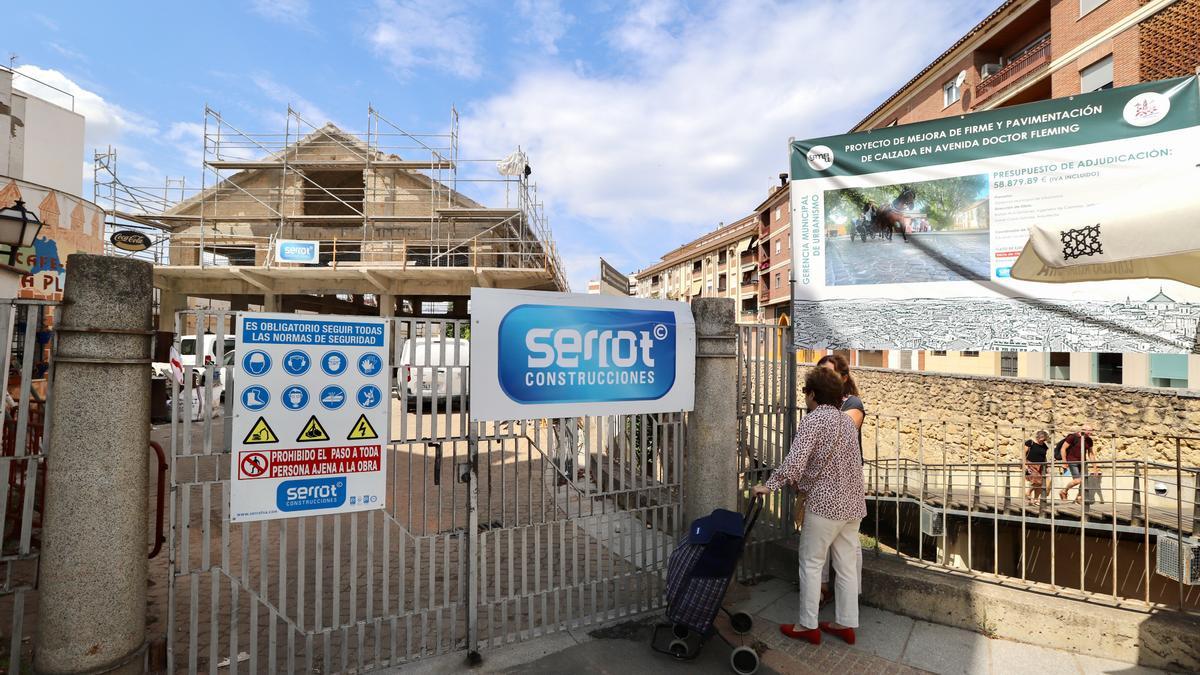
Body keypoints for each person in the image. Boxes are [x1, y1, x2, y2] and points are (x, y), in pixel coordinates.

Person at [752, 367, 865, 646]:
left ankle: (807, 625)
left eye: (806, 392)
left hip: (825, 505)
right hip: (852, 505)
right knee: (847, 566)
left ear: (813, 394)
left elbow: (796, 461)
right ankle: (845, 624)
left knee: (812, 563)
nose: (805, 397)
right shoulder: (847, 423)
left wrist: (769, 485)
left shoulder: (813, 421)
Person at [814, 354, 865, 604]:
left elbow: (839, 433)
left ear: (844, 378)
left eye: (830, 374)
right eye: (821, 373)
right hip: (822, 484)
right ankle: (822, 590)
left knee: (848, 545)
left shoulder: (852, 403)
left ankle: (850, 596)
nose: (824, 378)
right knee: (821, 542)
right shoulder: (822, 406)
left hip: (846, 483)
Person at [1057, 427, 1095, 503]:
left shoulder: (1089, 440)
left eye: (1091, 431)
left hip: (1083, 462)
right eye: (1089, 431)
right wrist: (1064, 462)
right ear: (1083, 430)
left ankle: (1079, 497)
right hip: (1072, 461)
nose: (1090, 433)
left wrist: (1095, 467)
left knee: (1084, 481)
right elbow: (1063, 449)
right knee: (1078, 480)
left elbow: (1090, 453)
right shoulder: (1073, 437)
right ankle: (1064, 491)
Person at [1023, 431, 1050, 506]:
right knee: (1037, 482)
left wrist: (1047, 466)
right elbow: (1023, 454)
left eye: (1044, 439)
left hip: (1040, 466)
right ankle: (1028, 492)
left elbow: (1044, 457)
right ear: (1038, 437)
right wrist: (1025, 465)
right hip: (1030, 464)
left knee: (1039, 483)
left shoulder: (1044, 445)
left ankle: (1035, 500)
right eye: (1041, 439)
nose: (1042, 441)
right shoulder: (1030, 442)